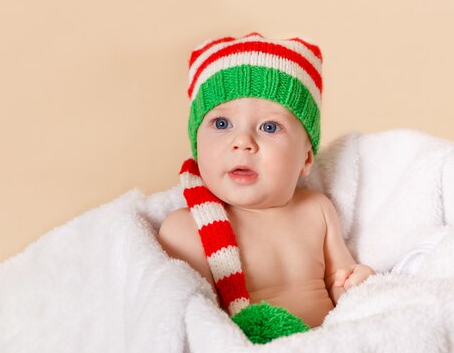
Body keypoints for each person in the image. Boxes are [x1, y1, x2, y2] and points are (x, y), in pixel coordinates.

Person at [157, 32, 374, 329]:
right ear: (197, 146)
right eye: (222, 124)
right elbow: (195, 322)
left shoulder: (317, 210)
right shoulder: (187, 229)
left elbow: (339, 278)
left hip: (325, 348)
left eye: (269, 127)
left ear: (306, 159)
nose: (243, 142)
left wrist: (354, 283)